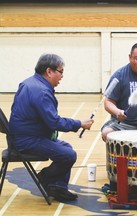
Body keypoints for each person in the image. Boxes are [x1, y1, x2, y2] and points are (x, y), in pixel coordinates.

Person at [8, 53, 94, 202]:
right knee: (68, 154)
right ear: (49, 71)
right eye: (60, 72)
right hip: (27, 141)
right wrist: (79, 123)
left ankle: (58, 187)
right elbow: (54, 122)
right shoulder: (41, 91)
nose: (62, 76)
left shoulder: (29, 82)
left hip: (20, 136)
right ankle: (43, 178)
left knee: (66, 147)